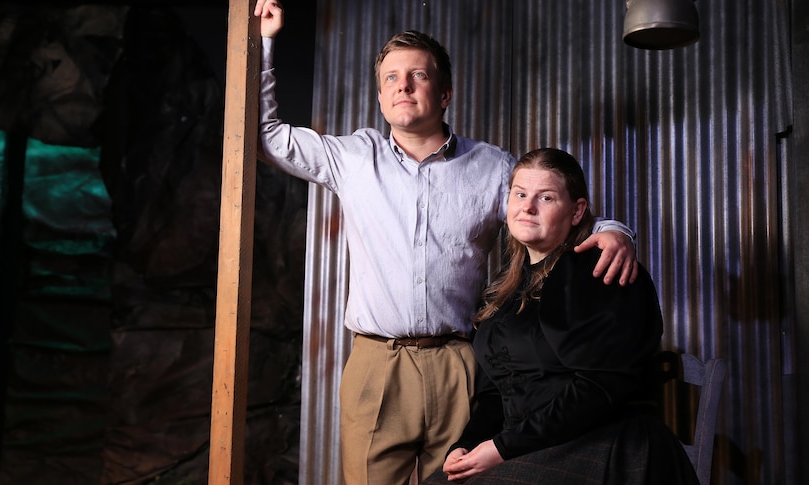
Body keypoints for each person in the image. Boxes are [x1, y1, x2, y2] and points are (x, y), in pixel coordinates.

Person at [253, 2, 640, 483]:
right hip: (378, 364)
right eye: (392, 78)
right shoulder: (352, 157)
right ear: (380, 97)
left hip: (460, 364)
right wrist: (267, 40)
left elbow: (543, 210)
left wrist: (616, 232)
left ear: (445, 93)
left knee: (462, 481)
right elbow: (266, 138)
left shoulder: (493, 166)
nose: (404, 86)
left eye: (418, 75)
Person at [423, 148, 699, 485]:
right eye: (520, 194)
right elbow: (495, 393)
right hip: (532, 443)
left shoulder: (602, 269)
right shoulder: (501, 290)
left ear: (577, 211)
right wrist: (466, 444)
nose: (528, 206)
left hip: (604, 443)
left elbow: (601, 388)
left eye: (547, 197)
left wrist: (502, 448)